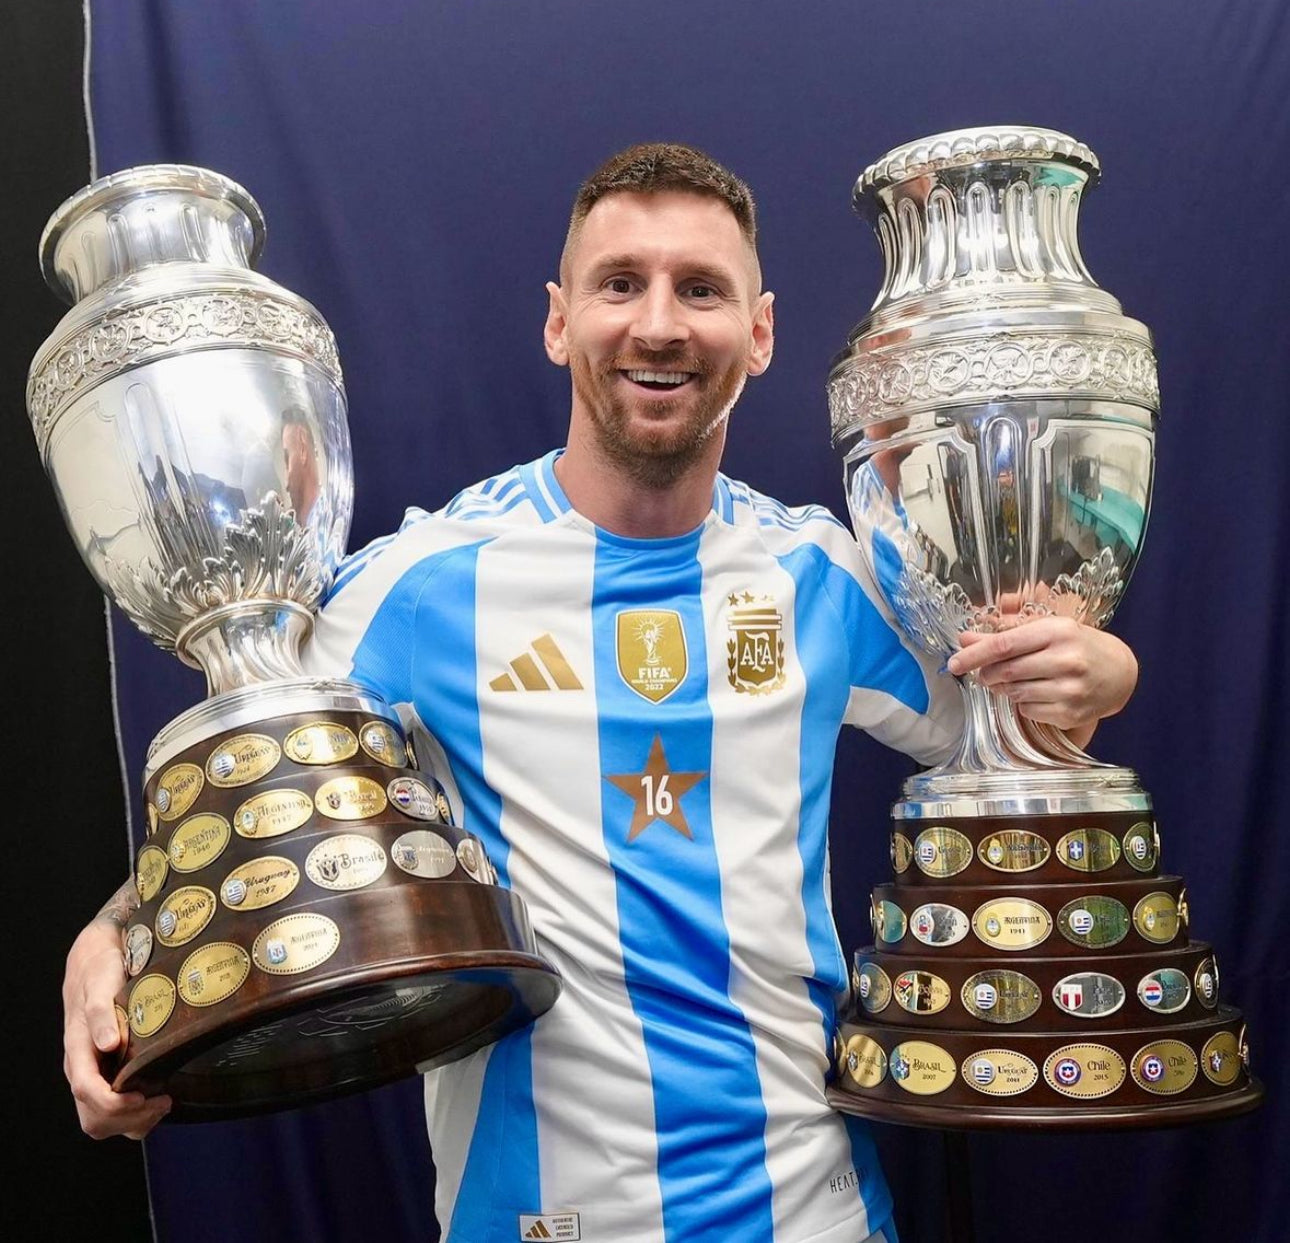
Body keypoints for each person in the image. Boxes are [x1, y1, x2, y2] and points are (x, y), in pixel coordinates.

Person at [62, 143, 1138, 1243]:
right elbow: (253, 787)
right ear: (558, 320)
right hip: (531, 1220)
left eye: (702, 288)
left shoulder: (825, 576)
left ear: (758, 332)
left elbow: (1016, 733)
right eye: (620, 283)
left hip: (811, 1214)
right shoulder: (420, 584)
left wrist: (1099, 675)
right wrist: (111, 939)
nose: (660, 324)